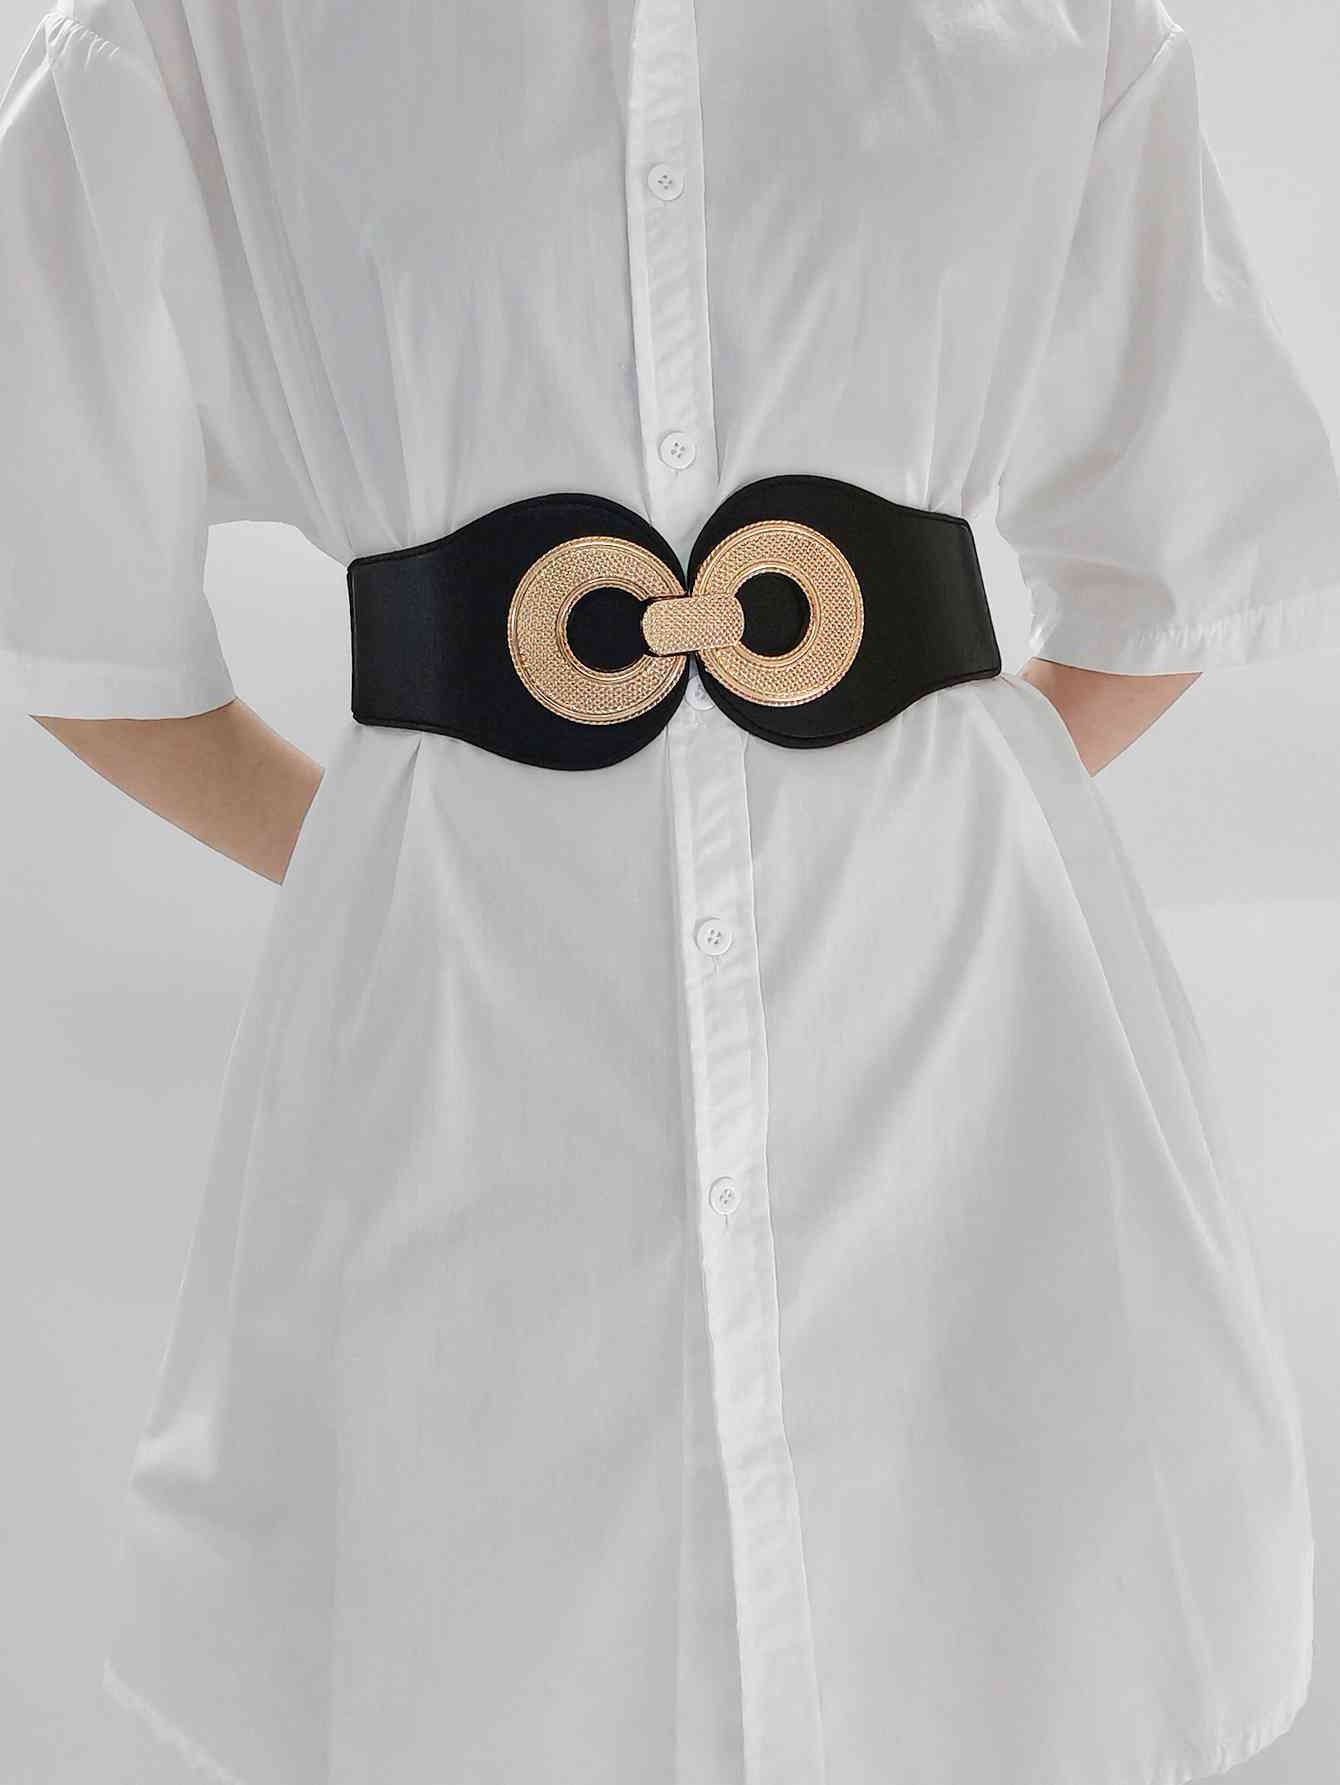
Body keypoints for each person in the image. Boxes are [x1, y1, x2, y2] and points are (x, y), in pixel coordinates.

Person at [3, 0, 1339, 1781]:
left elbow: (1188, 539)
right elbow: (67, 586)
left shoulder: (1053, 20)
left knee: (991, 1626)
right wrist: (391, 865)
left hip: (964, 1064)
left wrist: (926, 812)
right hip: (472, 1068)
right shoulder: (204, 30)